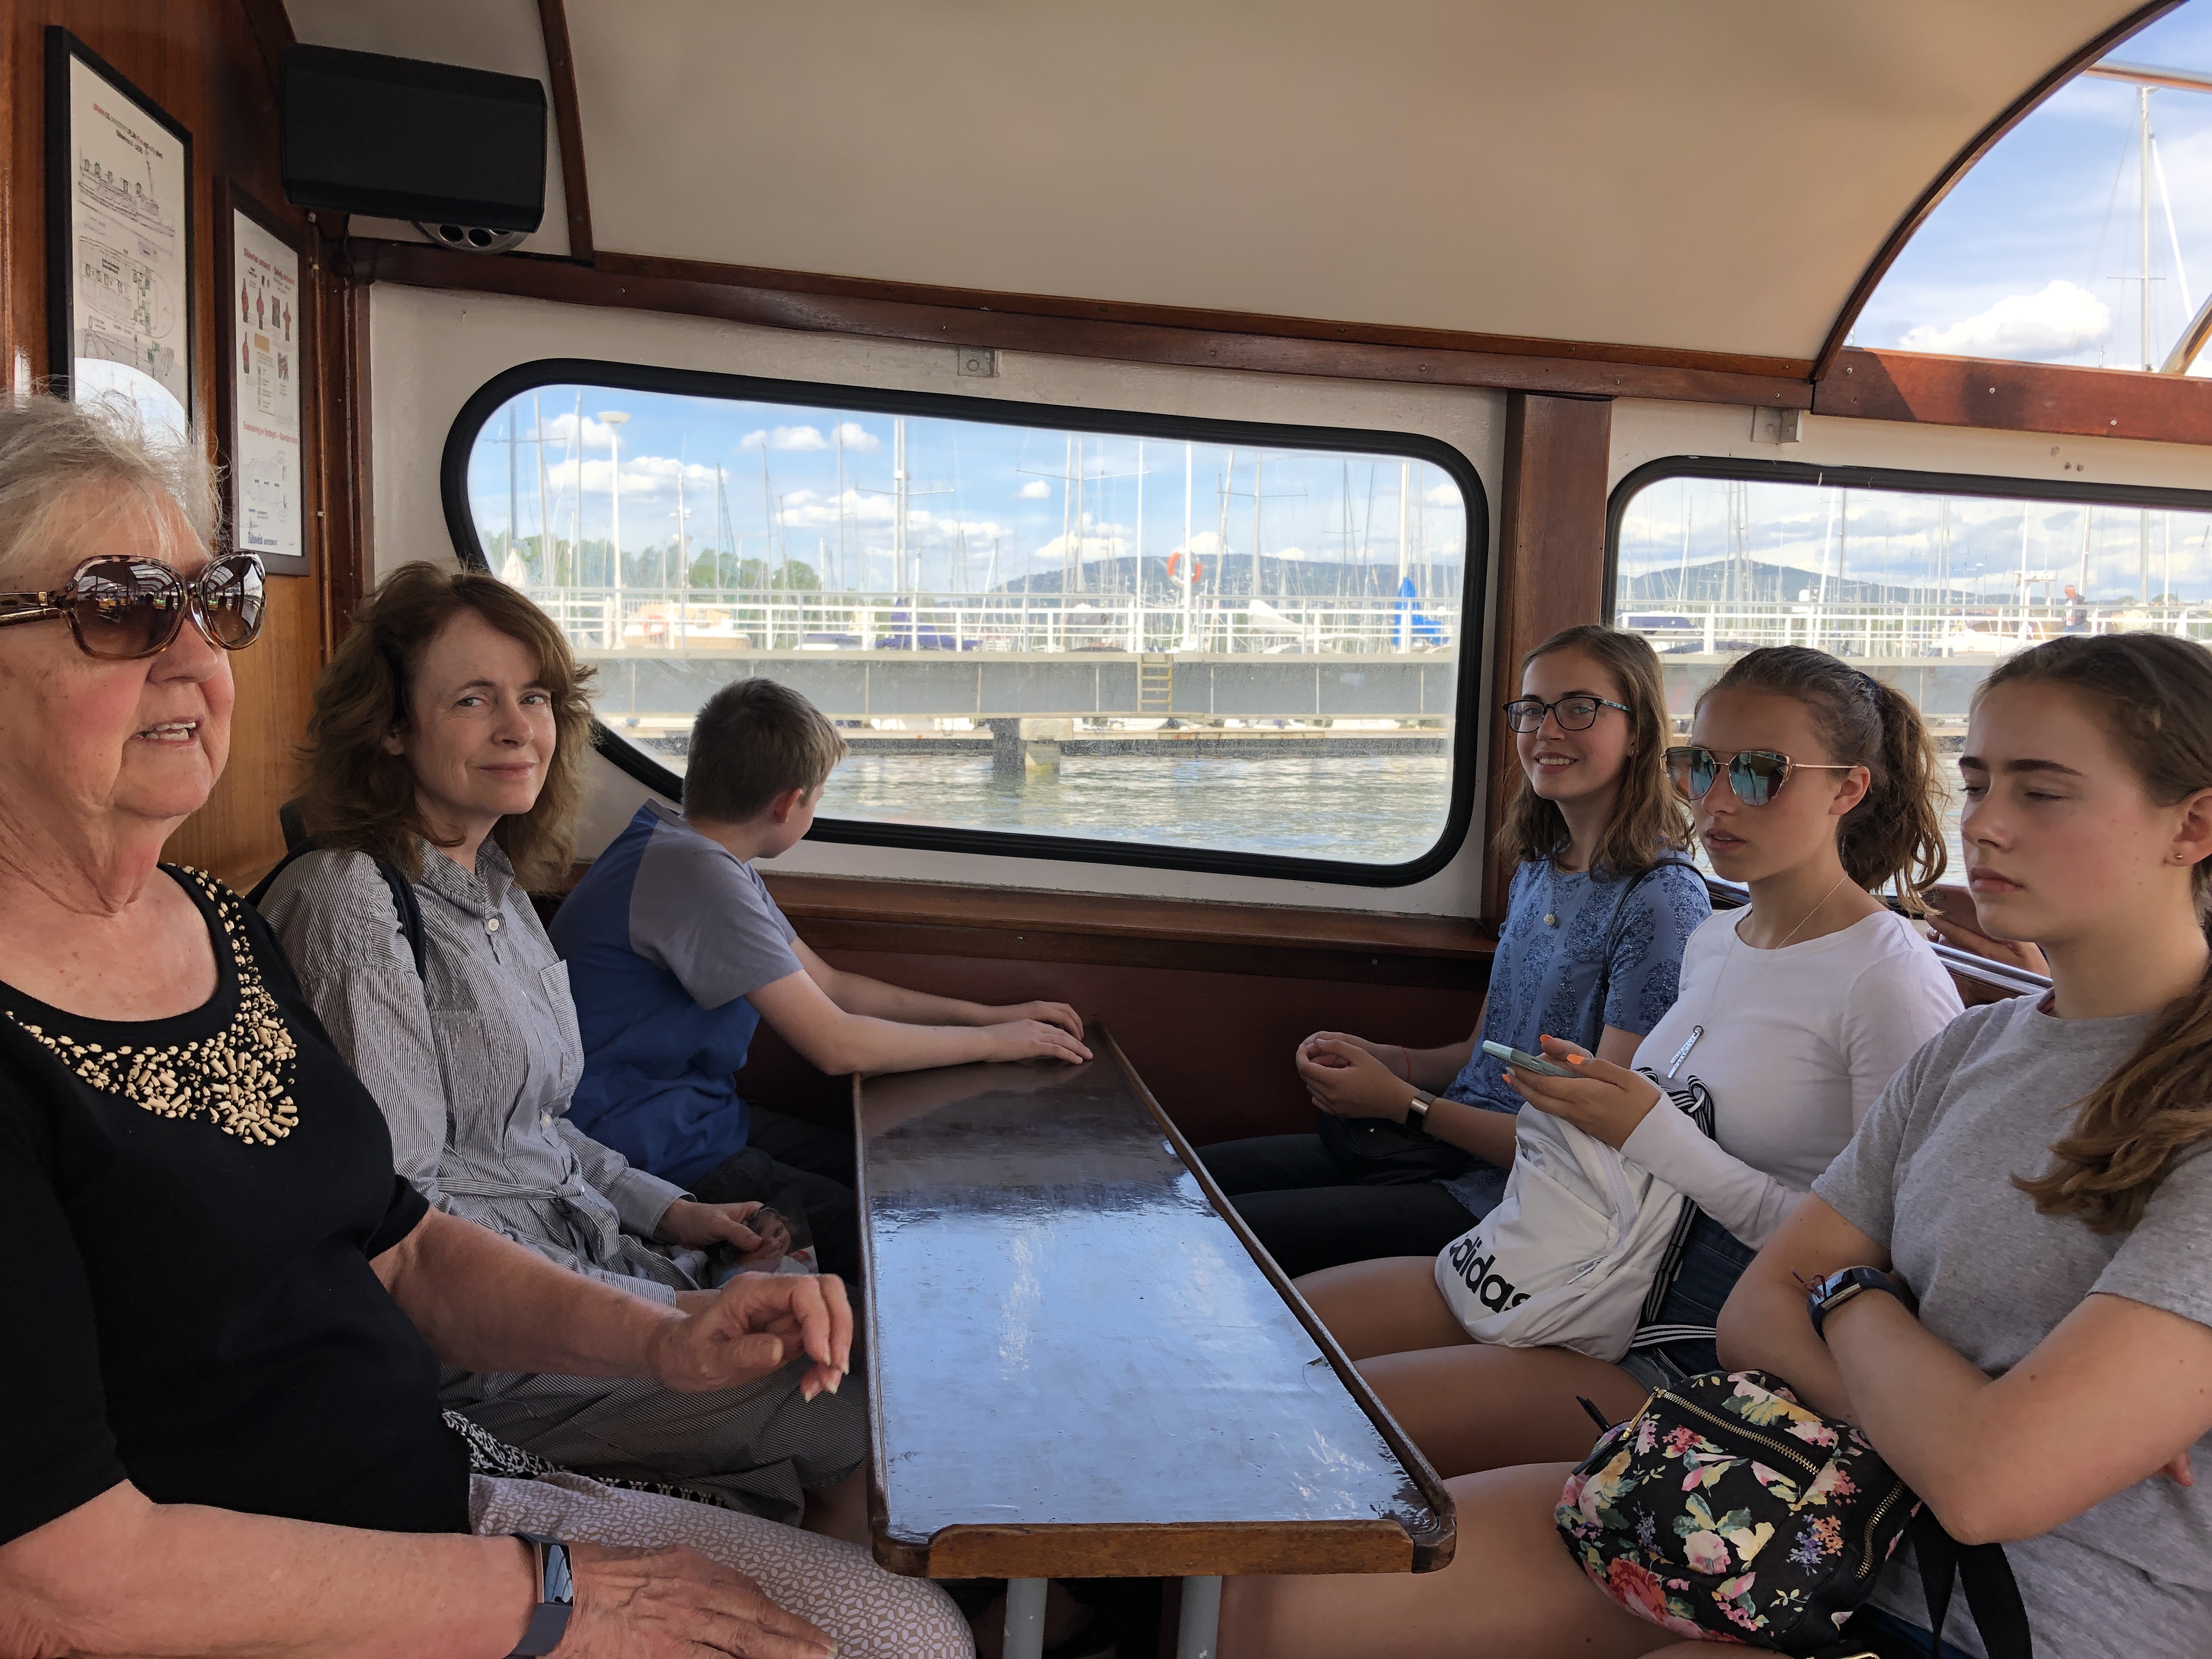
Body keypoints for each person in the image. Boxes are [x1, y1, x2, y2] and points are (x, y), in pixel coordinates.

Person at [0, 393, 969, 1658]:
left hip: (425, 1487)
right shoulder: (326, 909)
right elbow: (62, 1589)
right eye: (121, 607)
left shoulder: (213, 924)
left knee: (902, 1625)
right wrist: (554, 1597)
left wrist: (669, 1335)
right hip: (256, 1599)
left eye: (214, 601)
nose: (194, 659)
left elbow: (399, 1246)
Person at [1221, 630, 2212, 1659]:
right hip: (1791, 1471)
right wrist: (1915, 1360)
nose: (1986, 824)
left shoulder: (1914, 993)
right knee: (1278, 1592)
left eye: (2040, 792)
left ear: (2192, 823)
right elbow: (1762, 1313)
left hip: (2006, 1599)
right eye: (1977, 783)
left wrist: (1843, 1297)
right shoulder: (1969, 1048)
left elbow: (1984, 1477)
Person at [260, 563, 870, 1531]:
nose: (519, 727)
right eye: (473, 699)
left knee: (823, 1307)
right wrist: (660, 1315)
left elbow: (539, 1124)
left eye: (535, 696)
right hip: (487, 1345)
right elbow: (405, 1221)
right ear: (390, 726)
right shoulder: (351, 905)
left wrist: (674, 1212)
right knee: (850, 1403)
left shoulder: (497, 890)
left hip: (588, 1256)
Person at [1297, 645, 1963, 1481]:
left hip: (1695, 1354)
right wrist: (1588, 1097)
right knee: (1269, 1333)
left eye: (1761, 773)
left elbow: (1882, 1269)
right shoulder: (1717, 938)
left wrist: (1653, 1134)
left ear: (1848, 789)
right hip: (1575, 1266)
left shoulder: (1888, 982)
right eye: (1699, 766)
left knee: (1315, 1422)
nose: (1716, 800)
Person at [1200, 624, 1711, 1276]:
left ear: (1639, 732)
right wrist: (1391, 1062)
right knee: (1186, 1189)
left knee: (1216, 1244)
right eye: (1533, 709)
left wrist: (1403, 1104)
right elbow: (1483, 1055)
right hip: (1441, 1150)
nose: (1547, 731)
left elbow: (1594, 1141)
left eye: (1579, 709)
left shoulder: (1661, 902)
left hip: (1520, 1203)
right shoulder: (1540, 868)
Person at [551, 674, 1090, 1273]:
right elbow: (837, 1046)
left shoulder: (695, 854)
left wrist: (989, 1018)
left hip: (695, 1118)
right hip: (645, 1150)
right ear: (789, 804)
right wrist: (995, 1045)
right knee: (891, 1229)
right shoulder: (696, 874)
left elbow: (832, 988)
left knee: (884, 1171)